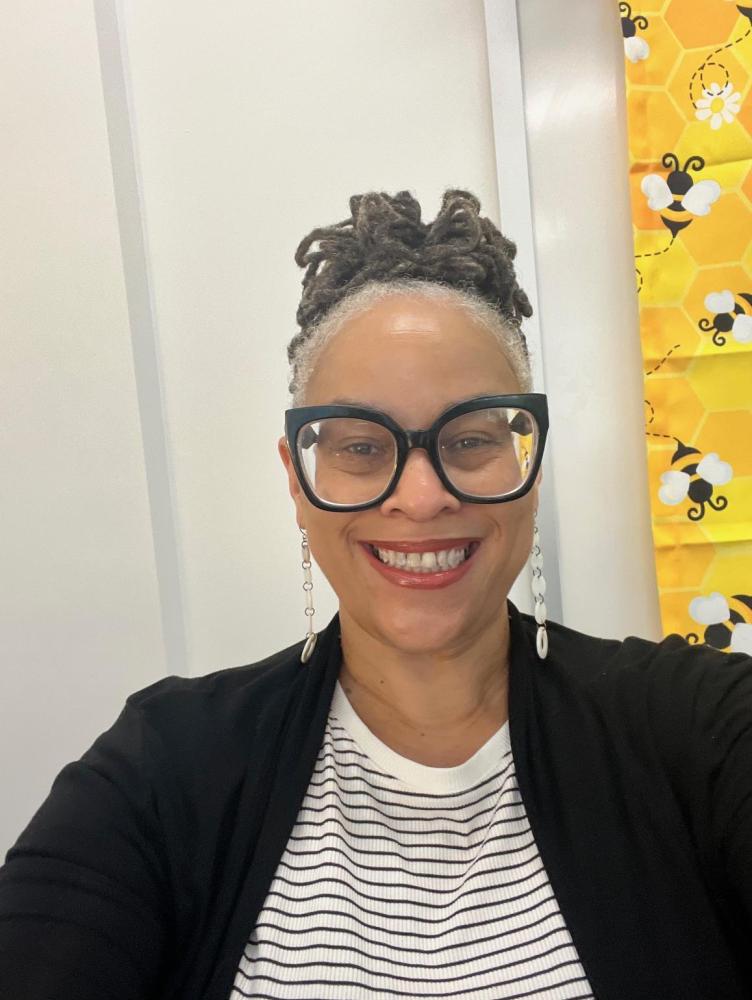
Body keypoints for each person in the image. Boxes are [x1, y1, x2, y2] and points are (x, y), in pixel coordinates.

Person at [0, 189, 750, 1000]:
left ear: (528, 464)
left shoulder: (696, 731)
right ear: (299, 480)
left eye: (470, 440)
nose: (422, 498)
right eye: (362, 447)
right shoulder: (165, 768)